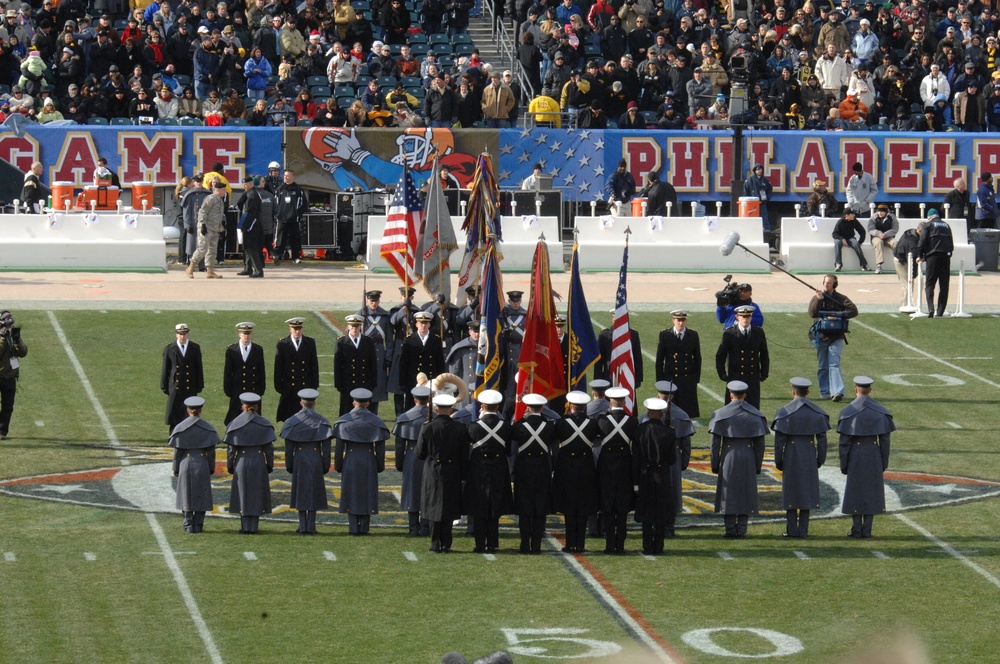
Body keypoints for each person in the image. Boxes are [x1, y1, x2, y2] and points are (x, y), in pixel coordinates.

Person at [771, 377, 830, 538]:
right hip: (809, 452)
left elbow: (779, 442)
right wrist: (820, 459)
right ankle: (803, 530)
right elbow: (822, 440)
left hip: (791, 452)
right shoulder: (817, 412)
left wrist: (779, 460)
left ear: (793, 392)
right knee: (807, 490)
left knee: (791, 490)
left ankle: (791, 529)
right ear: (808, 392)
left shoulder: (784, 412)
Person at [709, 380, 768, 538]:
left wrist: (715, 463)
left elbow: (715, 444)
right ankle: (742, 528)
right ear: (745, 395)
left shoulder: (720, 414)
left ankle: (729, 529)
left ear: (730, 395)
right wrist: (757, 464)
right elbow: (760, 445)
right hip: (748, 455)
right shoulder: (755, 414)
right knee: (745, 491)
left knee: (728, 492)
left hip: (728, 455)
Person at [839, 376, 894, 538]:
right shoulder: (880, 410)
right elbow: (885, 441)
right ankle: (867, 529)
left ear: (856, 390)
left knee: (855, 489)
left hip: (856, 454)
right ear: (870, 390)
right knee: (871, 490)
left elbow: (844, 443)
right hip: (873, 453)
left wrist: (844, 464)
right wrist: (883, 462)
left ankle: (857, 528)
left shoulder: (848, 411)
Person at [417, 393, 470, 552]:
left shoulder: (427, 426)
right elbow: (464, 454)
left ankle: (435, 543)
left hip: (433, 469)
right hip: (452, 469)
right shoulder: (460, 427)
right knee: (449, 505)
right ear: (451, 408)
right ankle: (446, 543)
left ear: (436, 408)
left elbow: (420, 453)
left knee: (433, 505)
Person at [332, 387, 389, 535]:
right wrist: (379, 466)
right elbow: (380, 450)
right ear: (368, 403)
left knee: (351, 491)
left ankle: (353, 527)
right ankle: (364, 527)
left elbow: (339, 449)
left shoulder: (344, 421)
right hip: (369, 459)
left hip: (350, 459)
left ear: (353, 403)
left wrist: (339, 466)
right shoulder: (376, 421)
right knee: (367, 491)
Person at [465, 389, 514, 553]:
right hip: (499, 469)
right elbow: (508, 450)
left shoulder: (474, 426)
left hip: (478, 470)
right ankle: (492, 542)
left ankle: (480, 543)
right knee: (495, 505)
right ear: (497, 407)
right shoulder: (506, 426)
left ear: (482, 406)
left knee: (479, 506)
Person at [643, 380, 694, 538]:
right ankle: (669, 526)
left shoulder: (646, 416)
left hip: (650, 459)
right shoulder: (682, 416)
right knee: (671, 492)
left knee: (652, 492)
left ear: (658, 394)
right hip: (673, 458)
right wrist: (683, 463)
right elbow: (686, 444)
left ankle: (652, 524)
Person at [281, 388, 333, 535]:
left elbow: (288, 448)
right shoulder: (322, 421)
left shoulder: (292, 421)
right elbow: (327, 448)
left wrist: (290, 465)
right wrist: (325, 465)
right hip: (316, 458)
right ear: (314, 403)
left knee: (301, 491)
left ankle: (302, 524)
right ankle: (311, 525)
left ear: (301, 403)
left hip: (299, 458)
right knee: (314, 491)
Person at [552, 390, 600, 553]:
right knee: (583, 506)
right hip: (586, 467)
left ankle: (570, 542)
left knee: (569, 507)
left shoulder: (561, 423)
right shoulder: (592, 424)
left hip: (566, 467)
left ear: (570, 405)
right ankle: (580, 543)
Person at [224, 392, 276, 534]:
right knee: (256, 492)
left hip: (241, 460)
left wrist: (230, 465)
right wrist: (270, 465)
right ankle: (254, 526)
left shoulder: (234, 424)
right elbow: (269, 449)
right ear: (257, 407)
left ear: (243, 406)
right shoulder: (264, 424)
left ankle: (245, 525)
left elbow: (231, 450)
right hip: (258, 460)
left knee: (243, 492)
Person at [512, 393, 556, 554]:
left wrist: (522, 419)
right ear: (543, 407)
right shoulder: (550, 427)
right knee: (540, 508)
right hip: (543, 469)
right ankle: (536, 545)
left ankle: (524, 544)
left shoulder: (518, 426)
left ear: (527, 407)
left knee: (524, 509)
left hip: (524, 470)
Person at [632, 397, 677, 555]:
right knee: (661, 511)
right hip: (662, 475)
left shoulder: (639, 431)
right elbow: (672, 460)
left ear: (649, 412)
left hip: (645, 474)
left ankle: (647, 546)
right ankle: (658, 546)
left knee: (646, 511)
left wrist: (635, 481)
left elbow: (636, 458)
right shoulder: (669, 432)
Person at [169, 396, 219, 534]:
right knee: (202, 494)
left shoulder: (180, 428)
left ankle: (188, 525)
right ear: (200, 410)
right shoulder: (207, 428)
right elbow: (211, 453)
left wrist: (175, 468)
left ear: (188, 410)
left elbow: (177, 453)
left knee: (186, 494)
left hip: (185, 462)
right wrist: (210, 468)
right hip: (202, 463)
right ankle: (199, 525)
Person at [596, 386, 636, 554]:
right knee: (622, 511)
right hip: (625, 469)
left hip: (605, 470)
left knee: (608, 509)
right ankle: (620, 546)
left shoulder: (601, 420)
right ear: (625, 401)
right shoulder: (632, 421)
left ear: (610, 402)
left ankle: (609, 545)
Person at [808, 273, 858, 402]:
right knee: (822, 366)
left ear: (835, 284)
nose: (826, 284)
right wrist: (818, 299)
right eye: (825, 282)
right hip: (821, 336)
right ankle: (825, 392)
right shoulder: (818, 297)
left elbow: (853, 310)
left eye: (829, 283)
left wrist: (838, 314)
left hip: (837, 337)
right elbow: (812, 313)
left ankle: (837, 391)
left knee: (834, 364)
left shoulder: (841, 298)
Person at [394, 385, 431, 537]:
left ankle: (413, 527)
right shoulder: (432, 417)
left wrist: (400, 464)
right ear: (428, 399)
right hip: (430, 456)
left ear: (414, 399)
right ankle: (426, 526)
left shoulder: (404, 418)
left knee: (412, 491)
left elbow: (399, 446)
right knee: (429, 490)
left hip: (411, 456)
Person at [715, 305, 769, 410]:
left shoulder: (758, 332)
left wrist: (764, 372)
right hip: (735, 375)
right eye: (743, 316)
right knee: (732, 408)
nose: (746, 319)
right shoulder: (729, 333)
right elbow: (721, 355)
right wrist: (721, 372)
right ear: (737, 317)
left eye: (748, 316)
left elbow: (764, 354)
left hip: (752, 376)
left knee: (752, 407)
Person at [655, 309, 701, 418]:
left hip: (687, 375)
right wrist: (660, 380)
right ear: (673, 321)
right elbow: (660, 359)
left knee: (687, 403)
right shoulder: (665, 335)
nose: (680, 323)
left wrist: (696, 378)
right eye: (678, 320)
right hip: (671, 375)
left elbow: (697, 358)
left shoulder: (693, 335)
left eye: (683, 320)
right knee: (670, 405)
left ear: (686, 321)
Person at [274, 317, 320, 422]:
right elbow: (278, 368)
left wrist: (314, 386)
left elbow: (314, 365)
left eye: (299, 328)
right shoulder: (283, 344)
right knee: (288, 417)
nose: (297, 331)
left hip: (305, 386)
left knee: (306, 418)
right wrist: (279, 387)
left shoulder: (309, 343)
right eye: (295, 328)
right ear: (290, 329)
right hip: (289, 387)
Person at [398, 311, 445, 412]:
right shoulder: (409, 340)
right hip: (413, 381)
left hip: (431, 380)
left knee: (431, 408)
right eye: (420, 323)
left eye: (425, 323)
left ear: (429, 324)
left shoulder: (436, 340)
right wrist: (403, 383)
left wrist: (440, 381)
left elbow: (440, 362)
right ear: (416, 324)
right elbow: (403, 364)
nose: (423, 325)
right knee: (412, 408)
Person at [160, 323, 204, 430]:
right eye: (180, 334)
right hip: (176, 387)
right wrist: (165, 387)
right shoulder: (170, 348)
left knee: (190, 415)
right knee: (175, 415)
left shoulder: (194, 347)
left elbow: (198, 368)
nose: (182, 336)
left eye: (184, 334)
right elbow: (166, 369)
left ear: (187, 334)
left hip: (190, 387)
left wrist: (199, 385)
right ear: (176, 334)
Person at [356, 290, 393, 413]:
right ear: (367, 300)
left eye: (376, 301)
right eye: (371, 301)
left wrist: (388, 357)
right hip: (364, 352)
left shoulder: (384, 316)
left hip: (379, 354)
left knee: (377, 384)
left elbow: (389, 340)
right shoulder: (360, 314)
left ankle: (374, 411)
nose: (374, 303)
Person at [223, 322, 267, 425]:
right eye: (244, 333)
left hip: (253, 390)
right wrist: (228, 390)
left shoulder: (258, 349)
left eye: (248, 333)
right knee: (235, 419)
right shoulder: (232, 350)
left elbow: (261, 371)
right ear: (239, 334)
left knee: (255, 421)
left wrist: (261, 390)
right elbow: (228, 372)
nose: (246, 336)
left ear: (251, 334)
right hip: (237, 390)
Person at [334, 314, 378, 415]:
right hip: (347, 384)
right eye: (352, 326)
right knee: (346, 412)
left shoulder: (368, 342)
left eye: (357, 326)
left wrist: (373, 383)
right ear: (348, 327)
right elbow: (337, 366)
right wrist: (339, 385)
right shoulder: (341, 342)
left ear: (360, 327)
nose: (355, 329)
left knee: (365, 413)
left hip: (364, 383)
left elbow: (372, 364)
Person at [917, 209, 954, 318]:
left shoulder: (928, 225)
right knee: (944, 285)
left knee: (930, 284)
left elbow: (922, 241)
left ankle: (930, 308)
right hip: (945, 256)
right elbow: (951, 243)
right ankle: (940, 311)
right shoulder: (946, 225)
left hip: (932, 256)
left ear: (929, 217)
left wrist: (920, 255)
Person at [186, 181, 226, 279]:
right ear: (218, 190)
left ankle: (210, 271)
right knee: (202, 248)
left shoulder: (220, 200)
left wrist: (222, 224)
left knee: (212, 250)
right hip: (206, 228)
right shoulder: (210, 198)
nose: (225, 191)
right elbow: (203, 211)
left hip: (215, 228)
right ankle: (190, 268)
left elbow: (220, 214)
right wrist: (203, 224)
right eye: (223, 190)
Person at [0, 311, 27, 440]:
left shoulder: (11, 335)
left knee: (7, 406)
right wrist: (3, 339)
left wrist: (18, 340)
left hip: (9, 376)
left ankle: (2, 432)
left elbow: (23, 353)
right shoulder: (2, 336)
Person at [273, 168, 308, 265]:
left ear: (293, 177)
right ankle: (278, 256)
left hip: (294, 220)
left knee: (295, 239)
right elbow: (275, 204)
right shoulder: (279, 189)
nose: (286, 178)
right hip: (281, 219)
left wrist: (297, 214)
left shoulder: (298, 190)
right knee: (280, 239)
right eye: (284, 176)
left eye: (288, 176)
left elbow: (304, 204)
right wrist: (277, 215)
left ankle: (296, 257)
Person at [236, 176, 265, 278]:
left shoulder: (252, 195)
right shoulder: (248, 193)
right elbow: (239, 204)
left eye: (246, 184)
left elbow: (250, 212)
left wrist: (244, 225)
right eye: (243, 184)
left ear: (251, 184)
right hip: (247, 221)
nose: (244, 186)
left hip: (251, 223)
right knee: (246, 247)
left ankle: (258, 270)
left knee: (252, 247)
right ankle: (247, 268)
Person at [446, 320, 479, 405]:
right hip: (466, 385)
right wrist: (456, 387)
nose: (477, 334)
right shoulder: (461, 347)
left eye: (479, 332)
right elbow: (455, 370)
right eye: (475, 332)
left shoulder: (487, 347)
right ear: (470, 332)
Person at [892, 221, 924, 309]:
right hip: (901, 261)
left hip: (902, 258)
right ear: (920, 231)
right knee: (907, 284)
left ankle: (907, 304)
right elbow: (913, 258)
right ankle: (905, 305)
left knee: (907, 284)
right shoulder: (912, 242)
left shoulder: (910, 233)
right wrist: (913, 275)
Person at [832, 206, 869, 272]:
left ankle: (864, 265)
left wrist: (860, 242)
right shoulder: (840, 222)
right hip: (840, 238)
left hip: (850, 238)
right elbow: (834, 234)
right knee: (837, 243)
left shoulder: (854, 221)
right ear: (846, 215)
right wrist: (842, 239)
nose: (854, 215)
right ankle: (838, 264)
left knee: (856, 244)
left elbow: (862, 231)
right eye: (852, 214)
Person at [867, 203, 898, 274]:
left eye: (882, 212)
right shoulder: (873, 217)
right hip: (876, 237)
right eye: (879, 211)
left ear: (886, 212)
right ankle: (879, 265)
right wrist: (879, 234)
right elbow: (870, 229)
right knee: (879, 242)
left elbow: (895, 229)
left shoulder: (892, 217)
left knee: (895, 243)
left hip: (888, 237)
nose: (880, 213)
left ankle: (901, 262)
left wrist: (886, 234)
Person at [743, 164, 774, 233]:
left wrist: (766, 198)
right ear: (754, 171)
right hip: (752, 204)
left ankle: (766, 231)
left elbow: (770, 190)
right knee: (752, 218)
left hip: (762, 203)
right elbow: (746, 192)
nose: (759, 170)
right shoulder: (749, 180)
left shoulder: (765, 181)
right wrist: (749, 200)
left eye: (761, 169)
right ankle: (750, 231)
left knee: (764, 217)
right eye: (758, 169)